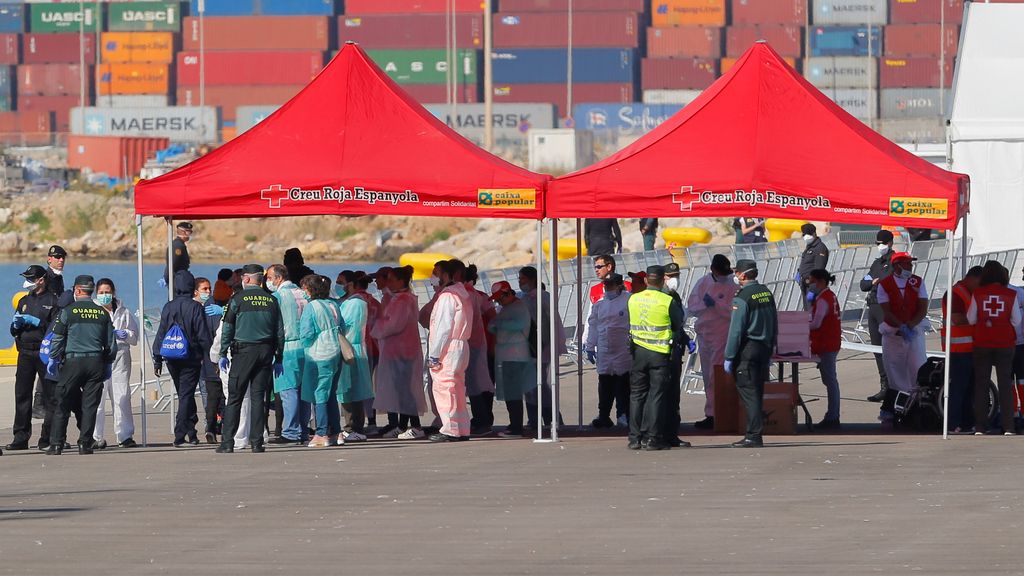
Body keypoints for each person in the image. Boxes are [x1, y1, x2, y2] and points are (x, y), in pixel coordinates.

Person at [216, 264, 285, 454]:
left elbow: (228, 328)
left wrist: (222, 353)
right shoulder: (271, 300)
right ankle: (257, 443)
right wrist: (279, 356)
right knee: (258, 398)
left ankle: (228, 442)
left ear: (246, 279)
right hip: (265, 352)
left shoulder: (237, 299)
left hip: (243, 352)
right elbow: (280, 331)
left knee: (235, 397)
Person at [45, 275, 117, 455]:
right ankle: (85, 444)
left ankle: (56, 444)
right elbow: (111, 343)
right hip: (95, 363)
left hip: (73, 362)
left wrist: (53, 359)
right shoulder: (102, 313)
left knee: (63, 403)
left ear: (77, 290)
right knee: (90, 405)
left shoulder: (68, 311)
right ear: (91, 290)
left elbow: (57, 339)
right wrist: (107, 363)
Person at [627, 265, 687, 451]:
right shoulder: (667, 300)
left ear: (646, 280)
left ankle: (635, 438)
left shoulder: (633, 299)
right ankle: (653, 438)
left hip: (638, 352)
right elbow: (678, 323)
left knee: (637, 395)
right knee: (656, 395)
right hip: (659, 352)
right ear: (662, 281)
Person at [152, 270, 213, 447]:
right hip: (191, 357)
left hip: (171, 356)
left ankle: (191, 432)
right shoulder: (195, 307)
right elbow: (202, 335)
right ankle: (180, 435)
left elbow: (161, 333)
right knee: (186, 395)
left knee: (184, 393)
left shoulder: (168, 306)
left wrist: (157, 358)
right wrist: (211, 355)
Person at [724, 259, 778, 448]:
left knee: (749, 393)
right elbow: (774, 321)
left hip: (749, 349)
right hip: (764, 347)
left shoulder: (743, 297)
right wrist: (772, 347)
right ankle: (754, 433)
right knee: (757, 391)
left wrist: (729, 356)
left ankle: (753, 435)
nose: (735, 276)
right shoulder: (765, 292)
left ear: (743, 275)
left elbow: (736, 330)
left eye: (736, 272)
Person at [371, 266, 427, 439]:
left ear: (401, 281)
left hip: (402, 351)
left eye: (392, 279)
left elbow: (393, 324)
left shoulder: (402, 300)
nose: (389, 283)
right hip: (400, 350)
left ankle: (415, 426)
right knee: (401, 388)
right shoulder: (401, 299)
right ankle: (403, 425)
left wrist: (375, 329)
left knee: (405, 389)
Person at [7, 265, 59, 451]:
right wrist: (16, 326)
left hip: (44, 353)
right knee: (22, 394)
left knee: (51, 395)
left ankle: (48, 437)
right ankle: (20, 437)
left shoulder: (53, 301)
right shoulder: (23, 300)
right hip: (25, 353)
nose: (28, 282)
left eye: (31, 278)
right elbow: (14, 329)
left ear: (41, 280)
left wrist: (36, 323)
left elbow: (55, 330)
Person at [967, 261, 1021, 435]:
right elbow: (1016, 320)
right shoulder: (1011, 294)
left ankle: (981, 426)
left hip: (982, 342)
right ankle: (1008, 426)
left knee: (981, 384)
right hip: (1005, 343)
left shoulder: (978, 293)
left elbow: (971, 318)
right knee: (1005, 384)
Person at [685, 254, 738, 429]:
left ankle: (721, 412)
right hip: (705, 333)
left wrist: (716, 305)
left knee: (717, 375)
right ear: (713, 270)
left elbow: (733, 313)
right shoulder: (703, 283)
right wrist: (705, 305)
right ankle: (711, 412)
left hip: (722, 334)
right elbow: (692, 307)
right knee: (708, 376)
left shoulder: (733, 286)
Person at [876, 252, 928, 423]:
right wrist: (900, 325)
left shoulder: (917, 282)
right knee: (894, 372)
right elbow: (887, 310)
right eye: (907, 264)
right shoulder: (885, 284)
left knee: (917, 368)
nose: (911, 267)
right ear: (898, 265)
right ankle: (893, 408)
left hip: (913, 334)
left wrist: (911, 325)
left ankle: (916, 406)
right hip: (892, 335)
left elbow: (922, 307)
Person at [427, 259, 475, 442]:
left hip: (449, 346)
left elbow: (442, 328)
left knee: (445, 387)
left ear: (446, 275)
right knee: (457, 388)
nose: (433, 277)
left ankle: (450, 428)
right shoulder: (462, 294)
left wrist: (434, 355)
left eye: (436, 273)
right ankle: (462, 427)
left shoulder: (447, 296)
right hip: (461, 345)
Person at [91, 278, 138, 449]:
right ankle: (96, 437)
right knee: (97, 398)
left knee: (122, 396)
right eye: (101, 293)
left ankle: (125, 435)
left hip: (120, 356)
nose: (105, 296)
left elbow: (134, 337)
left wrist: (124, 334)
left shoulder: (123, 312)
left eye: (107, 292)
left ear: (113, 293)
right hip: (99, 358)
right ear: (97, 293)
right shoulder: (93, 311)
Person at [519, 266, 566, 430]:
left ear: (532, 280)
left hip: (542, 348)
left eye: (523, 279)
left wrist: (547, 345)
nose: (520, 282)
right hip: (528, 348)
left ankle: (552, 418)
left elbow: (551, 324)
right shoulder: (523, 298)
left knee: (544, 386)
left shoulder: (544, 298)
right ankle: (534, 419)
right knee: (530, 386)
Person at [300, 275, 344, 447]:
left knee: (319, 393)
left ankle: (321, 433)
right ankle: (336, 432)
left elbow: (306, 332)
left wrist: (306, 345)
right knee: (331, 393)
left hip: (319, 353)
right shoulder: (334, 304)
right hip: (336, 351)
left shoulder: (312, 307)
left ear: (310, 290)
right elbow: (343, 326)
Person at [266, 264, 308, 445]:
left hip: (287, 347)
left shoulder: (277, 297)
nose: (268, 281)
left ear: (278, 278)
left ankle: (291, 432)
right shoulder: (303, 293)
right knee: (303, 392)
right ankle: (303, 431)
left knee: (288, 391)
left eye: (269, 277)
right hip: (305, 348)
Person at [487, 281, 536, 438]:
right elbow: (491, 326)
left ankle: (516, 427)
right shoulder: (507, 308)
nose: (498, 302)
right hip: (508, 355)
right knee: (510, 393)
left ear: (507, 293)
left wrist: (498, 323)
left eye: (499, 298)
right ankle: (514, 424)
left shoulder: (518, 307)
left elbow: (518, 324)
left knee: (513, 394)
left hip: (515, 355)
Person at [585, 273, 631, 429]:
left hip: (622, 348)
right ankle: (603, 415)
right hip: (605, 348)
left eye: (610, 285)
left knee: (622, 383)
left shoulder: (628, 300)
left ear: (619, 286)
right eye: (606, 285)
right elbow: (593, 326)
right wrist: (590, 346)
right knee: (605, 383)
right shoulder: (599, 304)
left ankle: (623, 414)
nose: (607, 288)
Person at [942, 266, 983, 433]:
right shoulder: (954, 293)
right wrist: (980, 319)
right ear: (973, 278)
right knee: (958, 388)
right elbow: (958, 319)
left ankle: (966, 422)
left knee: (969, 388)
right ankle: (953, 424)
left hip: (971, 348)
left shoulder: (971, 293)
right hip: (957, 349)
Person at [859, 230, 896, 402]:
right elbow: (863, 283)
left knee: (889, 348)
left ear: (889, 243)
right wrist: (872, 282)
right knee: (877, 349)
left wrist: (875, 281)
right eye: (877, 243)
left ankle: (894, 385)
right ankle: (884, 385)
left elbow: (887, 280)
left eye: (882, 243)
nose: (879, 246)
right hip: (872, 306)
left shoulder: (894, 262)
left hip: (885, 306)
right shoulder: (876, 263)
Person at [337, 273, 374, 442]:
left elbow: (346, 326)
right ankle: (351, 425)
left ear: (350, 284)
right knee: (349, 389)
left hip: (351, 347)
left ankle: (354, 426)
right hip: (351, 346)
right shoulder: (349, 302)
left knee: (352, 390)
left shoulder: (356, 303)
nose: (338, 286)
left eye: (341, 283)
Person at [463, 263, 496, 435]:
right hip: (484, 344)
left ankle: (482, 419)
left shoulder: (473, 297)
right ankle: (484, 418)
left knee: (477, 383)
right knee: (485, 383)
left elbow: (493, 318)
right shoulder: (481, 296)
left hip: (478, 345)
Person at [807, 269, 842, 428]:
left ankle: (833, 416)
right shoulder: (828, 296)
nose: (810, 285)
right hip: (828, 342)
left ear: (820, 281)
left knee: (830, 381)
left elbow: (816, 323)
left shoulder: (823, 299)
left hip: (826, 344)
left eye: (812, 281)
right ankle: (832, 414)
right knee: (830, 380)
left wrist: (800, 324)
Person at [194, 277, 225, 444]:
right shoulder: (214, 309)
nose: (208, 291)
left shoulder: (207, 309)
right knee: (218, 395)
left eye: (209, 288)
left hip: (208, 358)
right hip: (214, 357)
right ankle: (217, 427)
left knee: (211, 396)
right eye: (205, 289)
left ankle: (210, 428)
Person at [350, 274, 381, 434]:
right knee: (371, 386)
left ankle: (364, 420)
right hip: (376, 346)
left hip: (362, 346)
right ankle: (372, 420)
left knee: (361, 386)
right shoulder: (375, 301)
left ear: (353, 284)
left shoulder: (353, 302)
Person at [797, 223, 829, 309]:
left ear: (814, 234)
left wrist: (812, 289)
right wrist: (799, 273)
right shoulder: (810, 247)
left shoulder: (820, 248)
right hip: (805, 284)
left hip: (812, 286)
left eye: (808, 234)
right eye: (804, 234)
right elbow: (807, 263)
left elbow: (819, 270)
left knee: (813, 313)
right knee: (807, 313)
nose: (805, 236)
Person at [161, 221, 193, 287]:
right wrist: (167, 278)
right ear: (183, 232)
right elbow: (172, 263)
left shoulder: (180, 244)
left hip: (180, 278)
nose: (190, 235)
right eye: (189, 232)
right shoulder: (178, 246)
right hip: (177, 280)